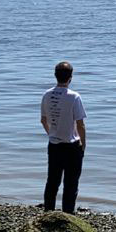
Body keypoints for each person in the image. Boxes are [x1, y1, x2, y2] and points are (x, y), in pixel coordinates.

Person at [40, 61, 87, 213]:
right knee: (71, 183)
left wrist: (52, 133)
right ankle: (68, 214)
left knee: (52, 181)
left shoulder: (47, 95)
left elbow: (43, 120)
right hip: (71, 145)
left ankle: (48, 212)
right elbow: (80, 124)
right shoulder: (74, 97)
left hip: (54, 144)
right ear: (70, 77)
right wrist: (83, 144)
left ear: (55, 76)